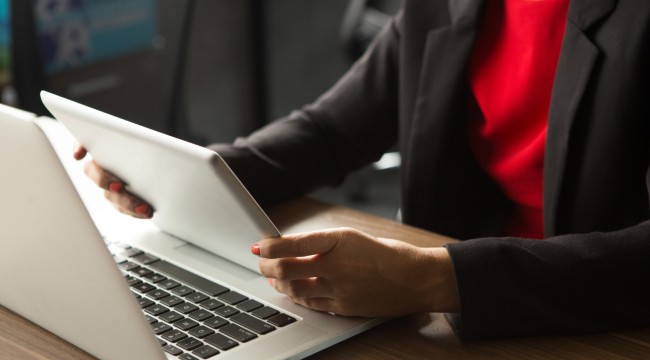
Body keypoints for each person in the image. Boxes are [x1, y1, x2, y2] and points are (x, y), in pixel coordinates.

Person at [74, 0, 650, 340]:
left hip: (597, 329)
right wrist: (179, 169)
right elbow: (335, 130)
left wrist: (432, 277)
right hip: (463, 327)